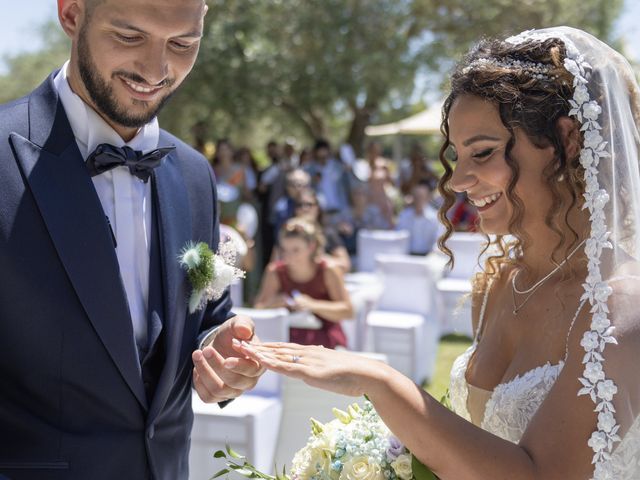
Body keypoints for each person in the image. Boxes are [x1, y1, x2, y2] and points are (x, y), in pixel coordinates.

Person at [235, 27, 640, 479]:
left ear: (566, 141)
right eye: (457, 157)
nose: (458, 182)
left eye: (483, 153)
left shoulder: (620, 309)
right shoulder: (500, 283)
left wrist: (383, 383)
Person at [0, 1, 264, 479]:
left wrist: (220, 351)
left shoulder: (195, 176)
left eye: (183, 44)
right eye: (129, 36)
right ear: (72, 14)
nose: (156, 69)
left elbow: (203, 319)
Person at [254, 218, 353, 349]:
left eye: (296, 250)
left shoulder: (328, 270)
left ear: (311, 247)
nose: (288, 256)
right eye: (284, 249)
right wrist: (275, 303)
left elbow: (348, 311)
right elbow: (258, 308)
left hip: (326, 338)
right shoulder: (275, 271)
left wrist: (312, 304)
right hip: (286, 338)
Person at [294, 188, 352, 273]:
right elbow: (275, 264)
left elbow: (345, 264)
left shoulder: (328, 233)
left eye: (309, 204)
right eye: (300, 205)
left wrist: (320, 259)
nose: (304, 208)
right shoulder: (288, 233)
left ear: (318, 208)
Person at [396, 180, 443, 255]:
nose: (419, 200)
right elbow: (399, 237)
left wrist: (433, 254)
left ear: (428, 198)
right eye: (416, 197)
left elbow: (439, 240)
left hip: (429, 257)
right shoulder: (404, 215)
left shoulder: (435, 217)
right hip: (407, 256)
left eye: (421, 197)